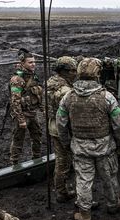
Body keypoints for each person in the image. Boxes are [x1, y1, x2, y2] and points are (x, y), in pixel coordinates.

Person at [56, 57, 120, 220]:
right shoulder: (107, 97)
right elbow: (119, 125)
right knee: (109, 177)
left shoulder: (68, 97)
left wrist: (66, 143)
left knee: (83, 180)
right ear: (97, 74)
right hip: (105, 147)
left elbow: (61, 123)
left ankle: (85, 215)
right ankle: (113, 204)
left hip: (80, 147)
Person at [47, 56, 78, 203]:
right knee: (65, 162)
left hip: (53, 125)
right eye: (72, 70)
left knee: (61, 161)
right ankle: (62, 192)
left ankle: (61, 191)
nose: (75, 73)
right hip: (64, 129)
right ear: (64, 72)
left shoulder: (50, 83)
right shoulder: (66, 91)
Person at [9, 48, 44, 165]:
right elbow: (15, 102)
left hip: (33, 113)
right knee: (18, 140)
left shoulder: (33, 76)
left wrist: (43, 110)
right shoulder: (17, 80)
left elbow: (39, 94)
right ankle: (14, 163)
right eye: (30, 62)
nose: (33, 64)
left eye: (34, 62)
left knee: (37, 137)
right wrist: (21, 120)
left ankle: (37, 160)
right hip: (23, 114)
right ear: (22, 63)